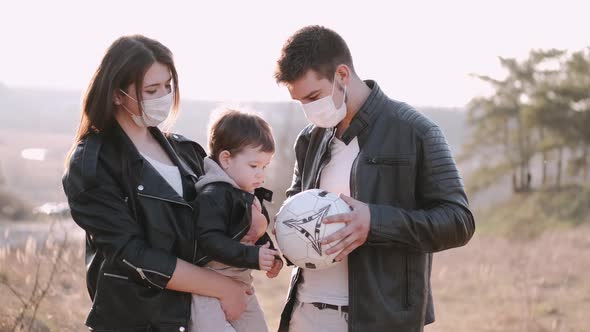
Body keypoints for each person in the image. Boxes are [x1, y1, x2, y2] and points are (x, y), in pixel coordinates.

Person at [273, 26, 476, 332]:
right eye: (300, 102)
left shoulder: (415, 132)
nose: (308, 111)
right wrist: (275, 231)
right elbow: (295, 205)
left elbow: (459, 221)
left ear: (342, 75)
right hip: (305, 314)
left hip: (379, 320)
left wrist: (375, 222)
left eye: (313, 96)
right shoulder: (309, 140)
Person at [62, 35, 251, 331]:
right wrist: (221, 286)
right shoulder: (92, 165)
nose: (163, 96)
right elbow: (131, 254)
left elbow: (215, 219)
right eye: (152, 89)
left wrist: (252, 223)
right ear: (117, 94)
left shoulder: (187, 151)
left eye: (168, 86)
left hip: (201, 315)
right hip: (138, 320)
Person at [190, 109, 284, 332]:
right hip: (207, 287)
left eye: (264, 166)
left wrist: (272, 255)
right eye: (254, 166)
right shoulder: (212, 194)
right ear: (226, 159)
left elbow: (253, 234)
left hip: (243, 285)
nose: (261, 174)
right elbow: (209, 240)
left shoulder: (247, 195)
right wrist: (253, 256)